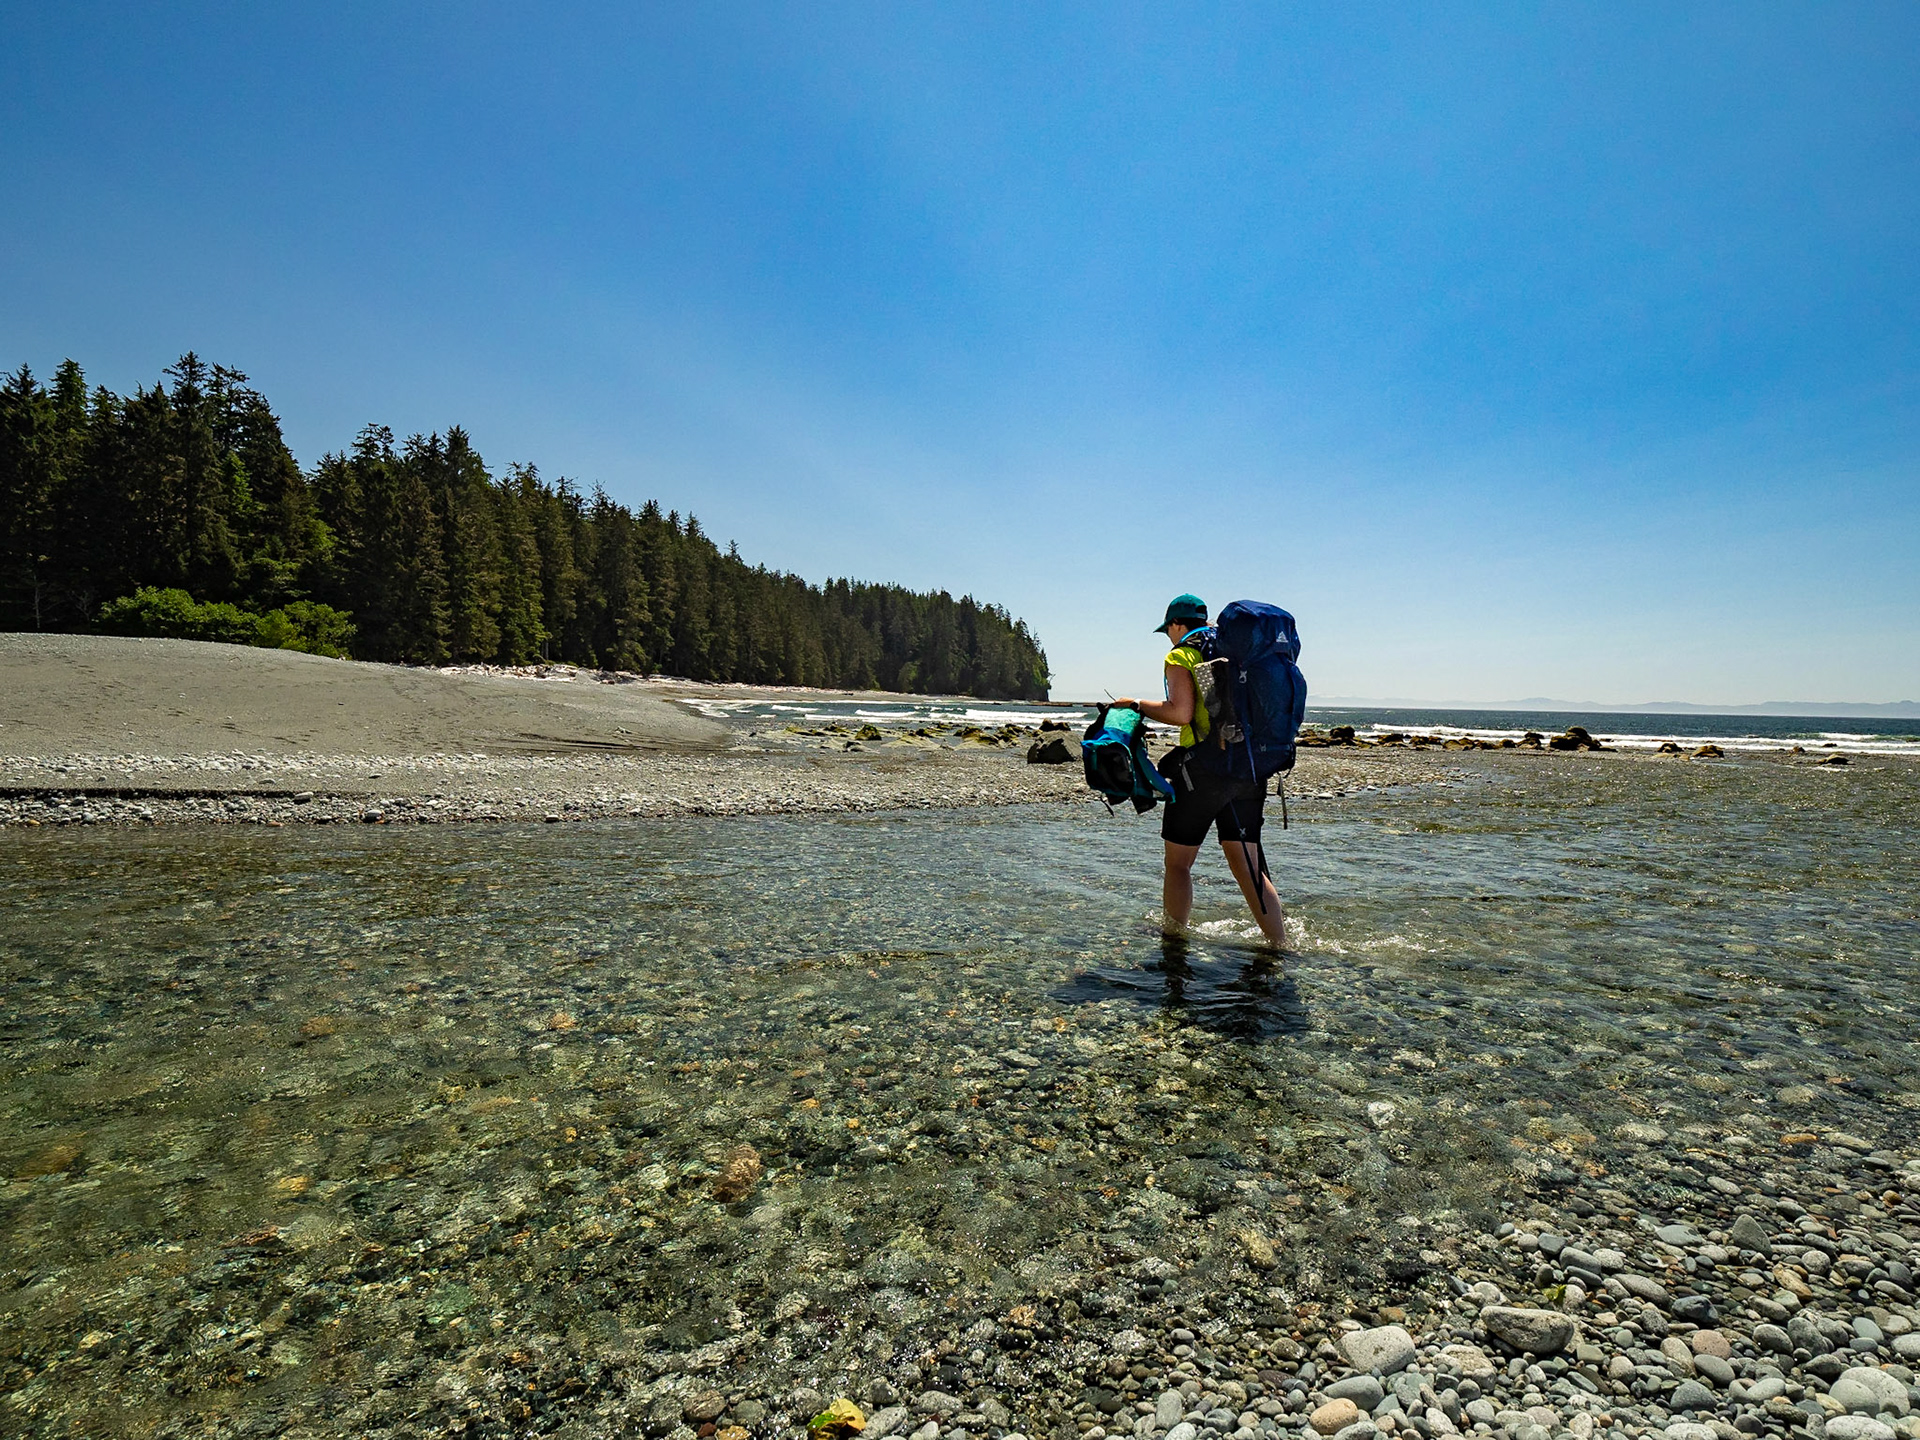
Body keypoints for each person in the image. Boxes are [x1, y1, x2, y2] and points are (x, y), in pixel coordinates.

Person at [1114, 593, 1287, 950]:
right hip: (1250, 768)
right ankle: (1279, 946)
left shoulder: (1182, 654)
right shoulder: (1236, 654)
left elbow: (1181, 713)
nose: (1169, 636)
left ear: (1177, 625)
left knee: (1178, 864)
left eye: (1168, 630)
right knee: (1248, 867)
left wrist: (1134, 704)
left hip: (1206, 771)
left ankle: (1173, 943)